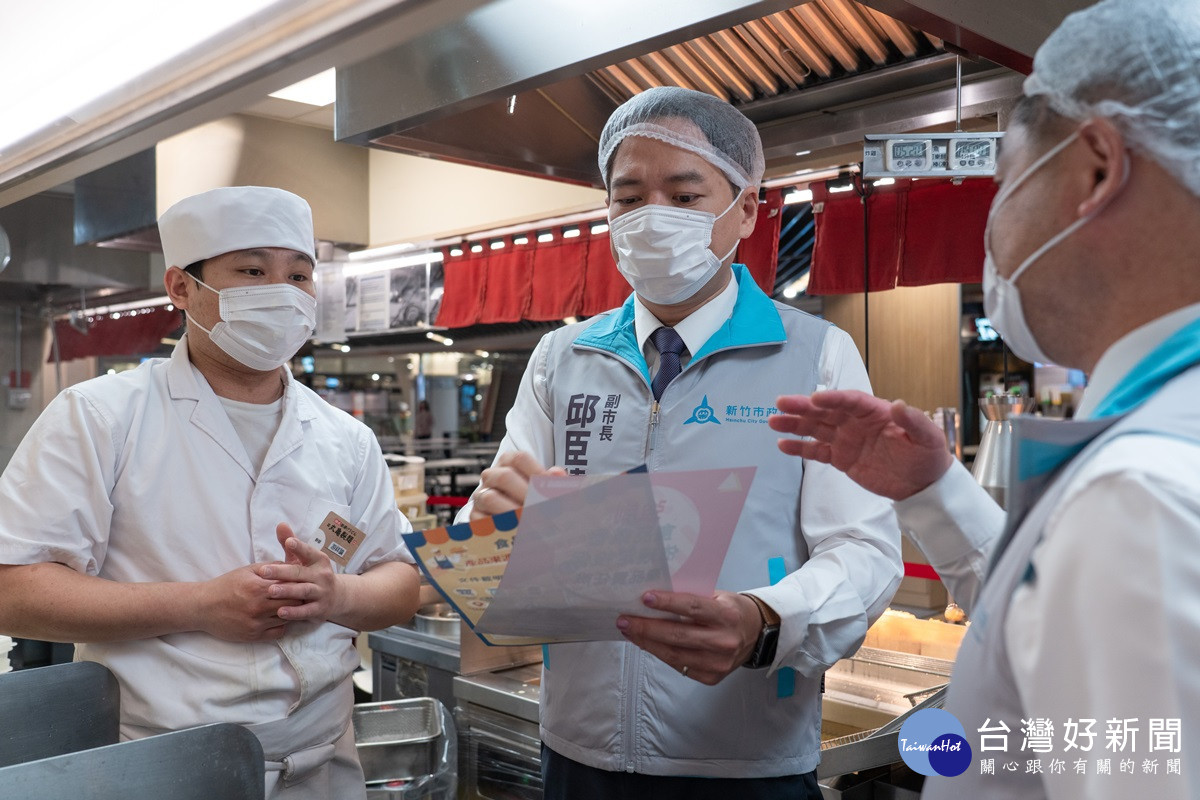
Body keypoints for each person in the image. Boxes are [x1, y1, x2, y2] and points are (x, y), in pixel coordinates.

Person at [770, 2, 1200, 797]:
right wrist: (936, 493)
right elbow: (1050, 623)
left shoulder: (1140, 495)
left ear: (1097, 166)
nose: (993, 228)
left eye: (1005, 181)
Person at [462, 86, 902, 799]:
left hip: (743, 757)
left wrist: (764, 620)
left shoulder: (815, 356)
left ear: (747, 209)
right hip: (578, 751)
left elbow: (865, 549)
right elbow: (490, 544)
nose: (651, 218)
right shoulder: (561, 358)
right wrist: (492, 525)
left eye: (684, 195)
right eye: (628, 197)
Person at [0, 186, 421, 799]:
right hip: (160, 763)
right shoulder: (101, 417)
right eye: (252, 271)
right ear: (181, 287)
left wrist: (338, 594)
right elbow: (12, 588)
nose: (282, 292)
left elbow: (401, 583)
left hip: (324, 766)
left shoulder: (346, 439)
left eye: (299, 276)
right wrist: (199, 605)